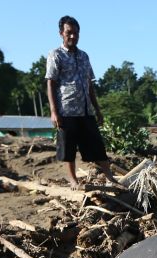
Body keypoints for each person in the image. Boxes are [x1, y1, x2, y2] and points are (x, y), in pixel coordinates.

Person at [46, 15, 121, 189]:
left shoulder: (84, 56)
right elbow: (51, 82)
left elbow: (89, 84)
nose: (72, 36)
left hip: (86, 109)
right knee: (68, 147)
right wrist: (53, 111)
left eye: (75, 33)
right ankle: (73, 180)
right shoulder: (55, 55)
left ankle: (110, 176)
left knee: (96, 144)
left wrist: (97, 109)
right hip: (66, 109)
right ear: (61, 34)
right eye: (68, 33)